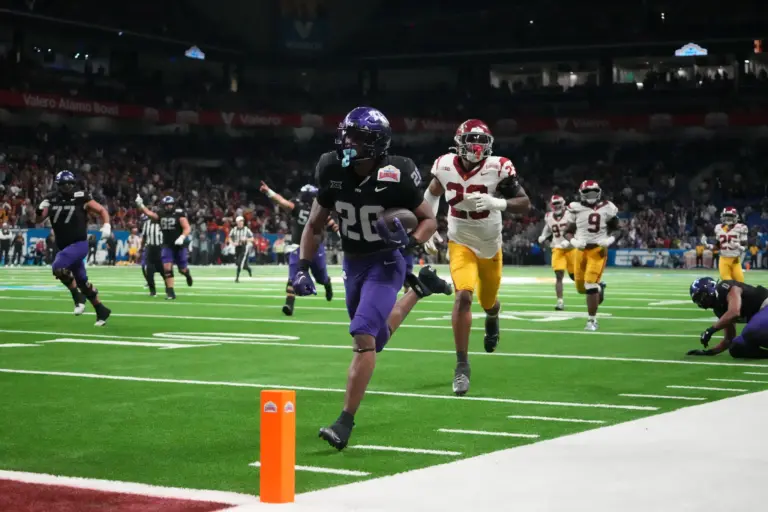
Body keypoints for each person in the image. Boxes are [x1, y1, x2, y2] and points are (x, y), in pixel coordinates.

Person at [293, 106, 452, 450]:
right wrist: (302, 267)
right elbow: (315, 224)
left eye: (358, 137)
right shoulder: (331, 167)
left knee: (363, 335)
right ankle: (419, 289)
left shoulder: (398, 171)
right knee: (374, 341)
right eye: (347, 134)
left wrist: (410, 241)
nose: (348, 141)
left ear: (377, 143)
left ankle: (344, 422)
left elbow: (428, 221)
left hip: (387, 261)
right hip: (353, 263)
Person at [422, 118, 530, 395]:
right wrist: (428, 225)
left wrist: (498, 202)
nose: (478, 147)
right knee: (463, 297)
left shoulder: (498, 167)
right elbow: (432, 194)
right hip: (460, 241)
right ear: (459, 142)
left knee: (488, 301)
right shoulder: (445, 165)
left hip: (490, 245)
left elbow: (525, 203)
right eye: (473, 140)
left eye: (483, 142)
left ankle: (493, 316)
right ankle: (462, 366)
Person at [37, 171, 112, 325]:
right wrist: (40, 208)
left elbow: (102, 210)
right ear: (58, 185)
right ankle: (101, 311)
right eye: (64, 184)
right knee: (83, 283)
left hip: (79, 244)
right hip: (64, 246)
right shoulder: (51, 198)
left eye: (70, 184)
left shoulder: (81, 197)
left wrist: (107, 225)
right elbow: (38, 219)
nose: (67, 187)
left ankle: (77, 297)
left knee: (58, 266)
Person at [260, 181, 338, 315]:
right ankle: (289, 305)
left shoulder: (315, 209)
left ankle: (327, 283)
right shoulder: (312, 208)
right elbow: (282, 202)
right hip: (299, 247)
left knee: (320, 278)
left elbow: (281, 201)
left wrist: (269, 192)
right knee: (293, 277)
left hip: (314, 248)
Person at [563, 180, 622, 331]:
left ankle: (592, 320)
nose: (591, 196)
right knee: (581, 288)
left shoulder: (608, 207)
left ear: (599, 192)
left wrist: (610, 239)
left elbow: (618, 229)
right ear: (581, 194)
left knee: (589, 284)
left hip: (598, 251)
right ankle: (599, 288)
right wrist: (574, 241)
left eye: (593, 193)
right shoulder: (574, 208)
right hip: (580, 251)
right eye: (587, 193)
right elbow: (567, 231)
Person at [687, 277, 768, 359]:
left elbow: (734, 312)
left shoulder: (725, 287)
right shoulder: (718, 309)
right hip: (762, 319)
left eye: (702, 296)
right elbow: (729, 339)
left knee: (750, 331)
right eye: (697, 300)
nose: (701, 301)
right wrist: (709, 352)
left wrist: (710, 331)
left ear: (710, 288)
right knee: (735, 347)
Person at [136, 195, 192, 300]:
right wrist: (141, 205)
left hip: (179, 245)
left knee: (182, 270)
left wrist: (182, 237)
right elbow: (149, 214)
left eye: (170, 204)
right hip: (167, 245)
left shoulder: (179, 213)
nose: (169, 206)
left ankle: (187, 275)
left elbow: (187, 227)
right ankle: (170, 293)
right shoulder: (161, 214)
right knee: (167, 268)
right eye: (166, 205)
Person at [538, 195, 576, 311]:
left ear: (563, 203)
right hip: (557, 247)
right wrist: (543, 235)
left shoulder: (570, 214)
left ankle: (595, 285)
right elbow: (548, 228)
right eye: (554, 204)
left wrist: (568, 241)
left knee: (575, 277)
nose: (557, 205)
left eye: (559, 203)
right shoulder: (548, 216)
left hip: (571, 248)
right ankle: (560, 301)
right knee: (559, 275)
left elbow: (577, 229)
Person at [713, 207, 748, 282]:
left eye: (731, 216)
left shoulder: (741, 228)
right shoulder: (719, 228)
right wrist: (708, 246)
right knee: (728, 283)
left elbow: (745, 247)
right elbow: (717, 246)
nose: (728, 218)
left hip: (735, 259)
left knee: (740, 283)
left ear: (736, 217)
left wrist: (740, 247)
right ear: (722, 216)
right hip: (723, 258)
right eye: (726, 216)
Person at [140, 212, 164, 296]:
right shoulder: (147, 224)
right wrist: (141, 248)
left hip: (160, 249)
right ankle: (152, 291)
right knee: (149, 271)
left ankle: (169, 290)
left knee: (164, 271)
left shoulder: (162, 223)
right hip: (150, 248)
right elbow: (144, 236)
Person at [230, 215, 254, 282]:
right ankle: (248, 269)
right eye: (240, 221)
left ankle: (237, 278)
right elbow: (230, 237)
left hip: (244, 248)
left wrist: (246, 239)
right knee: (239, 264)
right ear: (237, 222)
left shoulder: (246, 229)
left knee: (239, 262)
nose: (241, 222)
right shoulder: (234, 229)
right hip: (237, 248)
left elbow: (252, 238)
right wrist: (233, 243)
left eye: (242, 221)